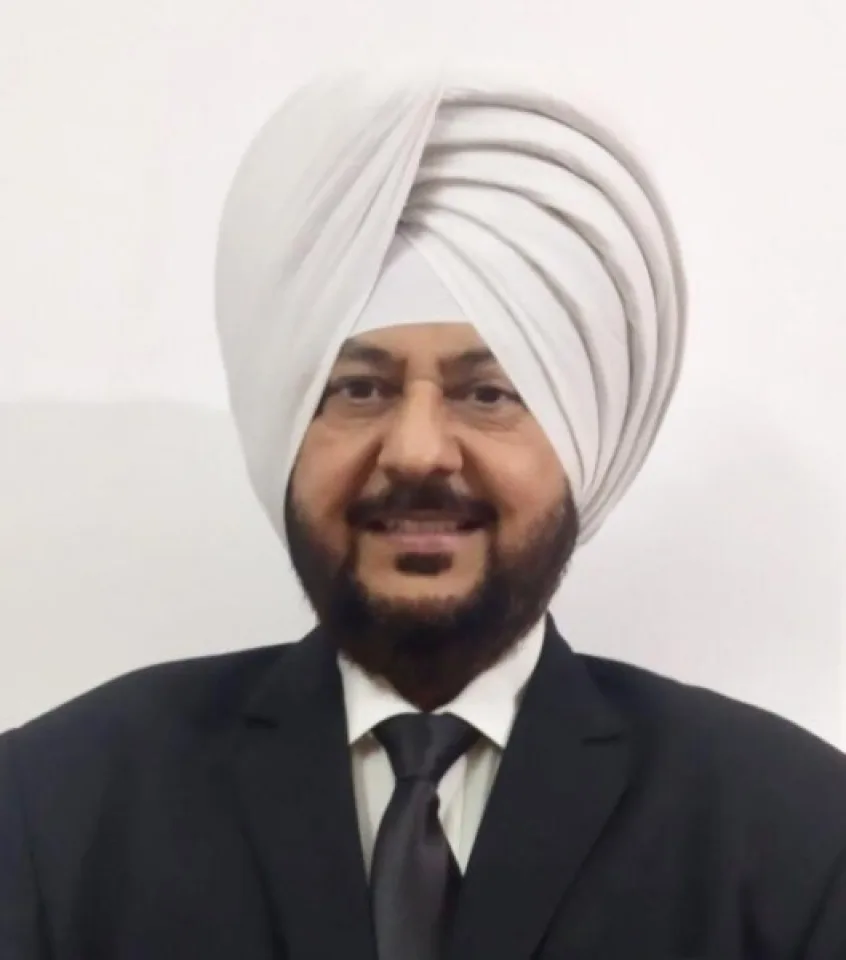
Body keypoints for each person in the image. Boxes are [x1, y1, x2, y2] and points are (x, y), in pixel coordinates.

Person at [2, 67, 846, 960]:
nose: (416, 450)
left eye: (488, 394)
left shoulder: (793, 835)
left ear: (583, 444)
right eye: (359, 389)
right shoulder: (56, 809)